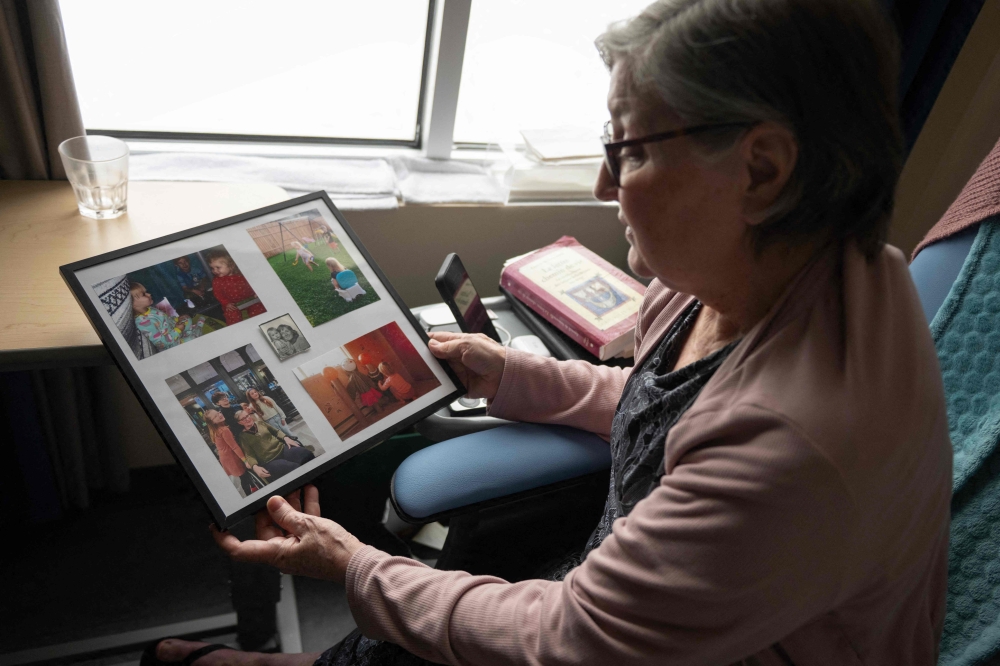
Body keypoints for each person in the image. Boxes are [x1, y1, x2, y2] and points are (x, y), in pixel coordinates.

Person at [155, 1, 952, 665]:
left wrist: (354, 565)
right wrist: (504, 372)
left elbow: (572, 638)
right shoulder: (757, 274)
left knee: (415, 625)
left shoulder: (795, 445)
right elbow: (658, 403)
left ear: (763, 170)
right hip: (660, 596)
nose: (605, 182)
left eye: (628, 147)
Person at [232, 410, 314, 483]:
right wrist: (254, 466)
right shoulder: (243, 437)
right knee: (294, 468)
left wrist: (286, 438)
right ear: (240, 423)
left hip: (282, 449)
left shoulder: (260, 423)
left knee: (305, 453)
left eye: (247, 415)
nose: (247, 419)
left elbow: (276, 431)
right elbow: (249, 454)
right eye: (243, 419)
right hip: (270, 460)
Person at [130, 282, 206, 352]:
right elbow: (161, 343)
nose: (149, 294)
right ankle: (196, 330)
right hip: (170, 345)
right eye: (144, 294)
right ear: (132, 304)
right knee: (191, 339)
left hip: (173, 329)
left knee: (187, 319)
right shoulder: (142, 323)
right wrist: (177, 330)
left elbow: (166, 320)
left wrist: (176, 319)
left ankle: (189, 332)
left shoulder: (149, 309)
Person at [204, 408, 261, 497]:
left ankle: (253, 488)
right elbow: (234, 447)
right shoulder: (224, 430)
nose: (219, 414)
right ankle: (249, 495)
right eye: (215, 416)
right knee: (244, 477)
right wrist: (245, 461)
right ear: (213, 422)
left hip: (225, 458)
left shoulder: (215, 431)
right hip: (232, 458)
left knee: (244, 477)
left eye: (218, 412)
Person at [207, 250, 266, 326]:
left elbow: (253, 282)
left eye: (218, 267)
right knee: (232, 317)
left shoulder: (242, 274)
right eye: (212, 268)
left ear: (231, 265)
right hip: (232, 304)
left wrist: (256, 291)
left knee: (259, 310)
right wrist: (226, 303)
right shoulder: (216, 281)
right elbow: (217, 294)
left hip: (250, 299)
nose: (215, 271)